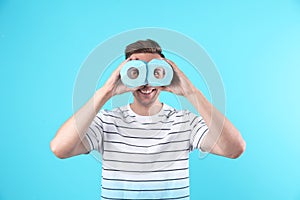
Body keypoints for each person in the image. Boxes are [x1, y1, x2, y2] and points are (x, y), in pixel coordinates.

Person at [50, 39, 246, 199]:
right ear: (124, 75)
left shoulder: (185, 122)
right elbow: (60, 148)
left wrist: (191, 92)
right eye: (136, 72)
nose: (146, 82)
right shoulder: (106, 122)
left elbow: (234, 148)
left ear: (166, 75)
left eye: (155, 72)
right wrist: (106, 91)